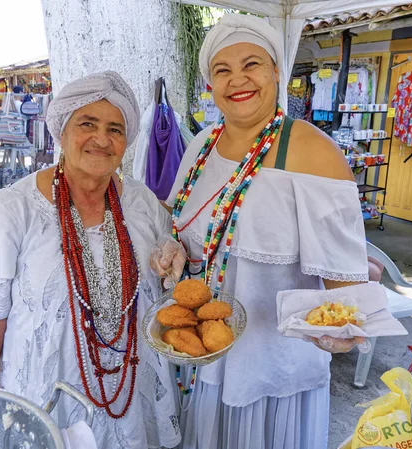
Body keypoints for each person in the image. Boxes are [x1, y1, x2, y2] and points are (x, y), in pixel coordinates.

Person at [162, 14, 369, 449]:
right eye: (222, 69)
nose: (238, 79)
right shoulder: (201, 146)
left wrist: (345, 324)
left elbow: (346, 293)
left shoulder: (313, 152)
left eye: (252, 63)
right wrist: (173, 249)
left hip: (271, 368)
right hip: (204, 358)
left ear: (277, 71)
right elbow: (182, 224)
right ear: (210, 84)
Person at [0, 71, 187, 449]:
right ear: (61, 132)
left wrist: (172, 256)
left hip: (133, 404)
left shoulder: (142, 204)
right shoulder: (14, 210)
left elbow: (167, 266)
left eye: (115, 129)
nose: (101, 139)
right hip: (47, 407)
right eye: (87, 124)